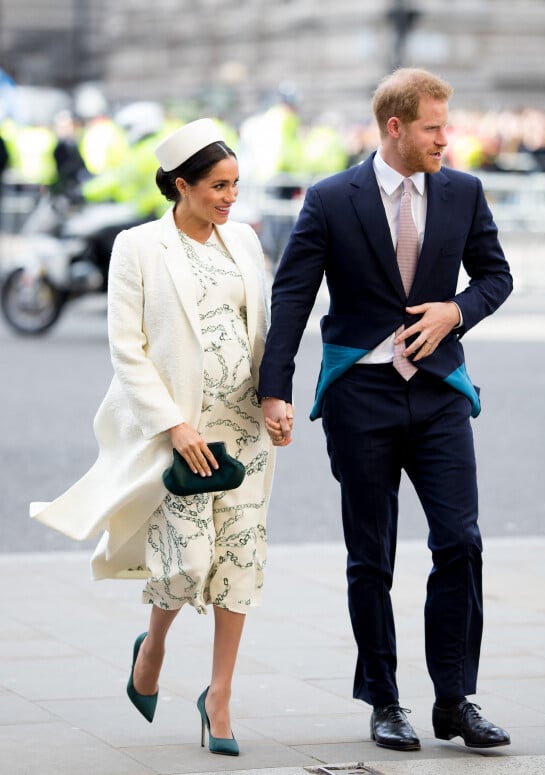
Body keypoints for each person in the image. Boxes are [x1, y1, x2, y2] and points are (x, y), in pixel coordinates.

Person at [259, 68, 513, 752]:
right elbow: (292, 297)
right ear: (395, 128)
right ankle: (385, 699)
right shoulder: (331, 198)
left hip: (438, 395)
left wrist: (457, 310)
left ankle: (456, 699)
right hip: (359, 396)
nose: (446, 138)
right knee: (370, 555)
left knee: (461, 540)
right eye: (433, 127)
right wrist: (273, 388)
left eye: (446, 124)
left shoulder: (464, 191)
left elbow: (497, 275)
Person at [31, 118, 274, 756]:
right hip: (182, 432)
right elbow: (127, 349)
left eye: (235, 186)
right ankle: (155, 646)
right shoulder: (138, 247)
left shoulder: (245, 242)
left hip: (244, 427)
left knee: (240, 562)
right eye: (217, 186)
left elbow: (265, 332)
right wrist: (174, 424)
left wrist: (276, 401)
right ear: (181, 186)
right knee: (190, 561)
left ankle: (218, 698)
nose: (229, 198)